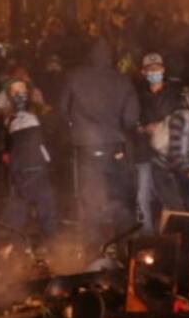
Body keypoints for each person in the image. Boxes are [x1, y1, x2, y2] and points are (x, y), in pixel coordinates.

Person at [58, 38, 140, 244]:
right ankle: (126, 252)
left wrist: (74, 127)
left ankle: (93, 256)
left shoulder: (75, 76)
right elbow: (131, 119)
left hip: (86, 149)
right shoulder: (122, 81)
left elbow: (62, 109)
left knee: (90, 203)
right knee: (120, 201)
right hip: (115, 149)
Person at [136, 52, 189, 229]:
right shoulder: (138, 96)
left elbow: (183, 120)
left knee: (171, 197)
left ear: (163, 69)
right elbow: (131, 121)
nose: (153, 72)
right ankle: (147, 236)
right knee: (142, 195)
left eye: (157, 68)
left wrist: (163, 126)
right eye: (149, 69)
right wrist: (144, 128)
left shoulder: (174, 94)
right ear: (143, 72)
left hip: (168, 154)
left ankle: (174, 233)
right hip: (144, 151)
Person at [3, 78, 58, 242]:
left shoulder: (40, 112)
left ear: (28, 91)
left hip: (38, 168)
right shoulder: (10, 120)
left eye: (21, 89)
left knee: (46, 211)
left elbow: (53, 133)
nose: (18, 94)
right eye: (14, 91)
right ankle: (15, 252)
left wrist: (41, 109)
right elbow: (9, 146)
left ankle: (54, 249)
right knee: (16, 215)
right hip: (20, 171)